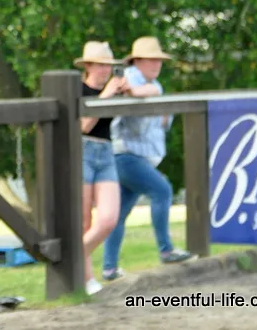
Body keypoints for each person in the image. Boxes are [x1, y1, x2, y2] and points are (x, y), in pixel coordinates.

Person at [101, 36, 194, 281]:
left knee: (119, 214)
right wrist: (132, 91)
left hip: (131, 156)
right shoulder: (130, 77)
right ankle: (166, 250)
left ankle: (109, 268)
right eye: (152, 60)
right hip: (127, 155)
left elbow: (152, 95)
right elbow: (142, 90)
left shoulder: (150, 84)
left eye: (159, 61)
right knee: (162, 190)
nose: (157, 65)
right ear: (138, 61)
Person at [73, 41, 127, 295]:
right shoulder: (78, 88)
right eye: (103, 65)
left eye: (110, 66)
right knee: (84, 222)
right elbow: (83, 125)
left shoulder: (112, 89)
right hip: (82, 150)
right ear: (89, 65)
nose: (107, 70)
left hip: (105, 151)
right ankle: (86, 279)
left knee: (108, 219)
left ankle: (73, 260)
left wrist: (128, 90)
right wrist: (105, 95)